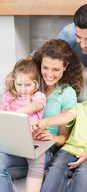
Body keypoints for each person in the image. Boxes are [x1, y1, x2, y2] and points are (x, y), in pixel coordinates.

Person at [0, 39, 83, 192]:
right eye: (45, 67)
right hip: (18, 144)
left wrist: (53, 138)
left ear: (65, 67)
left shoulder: (67, 93)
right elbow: (17, 74)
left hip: (43, 149)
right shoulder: (29, 82)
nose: (49, 74)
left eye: (56, 69)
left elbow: (64, 138)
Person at [32, 65, 87, 192]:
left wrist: (86, 155)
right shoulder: (79, 107)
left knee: (84, 173)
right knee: (56, 168)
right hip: (70, 150)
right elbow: (64, 117)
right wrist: (44, 122)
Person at [0, 59, 46, 192]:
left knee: (38, 159)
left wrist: (16, 114)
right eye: (19, 84)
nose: (23, 89)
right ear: (14, 82)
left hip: (32, 141)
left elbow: (35, 106)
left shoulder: (38, 97)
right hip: (11, 140)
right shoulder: (9, 97)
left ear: (35, 84)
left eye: (27, 85)